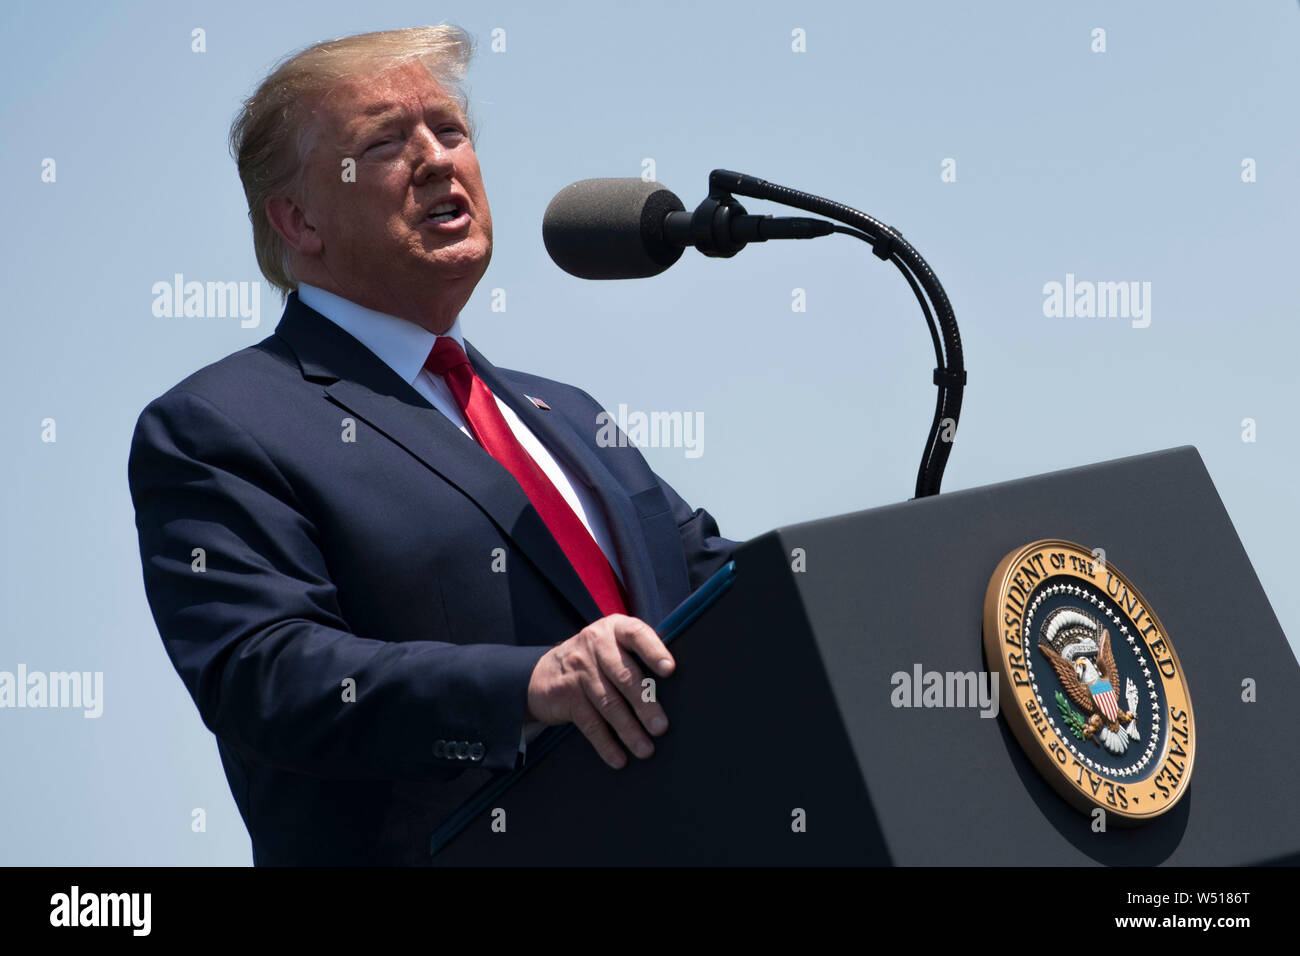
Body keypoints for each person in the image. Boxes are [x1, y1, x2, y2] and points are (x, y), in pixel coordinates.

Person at [127, 25, 737, 865]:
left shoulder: (562, 411)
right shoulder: (223, 425)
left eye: (450, 131)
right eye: (385, 143)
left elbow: (717, 583)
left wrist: (890, 571)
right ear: (298, 219)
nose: (438, 160)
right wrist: (528, 686)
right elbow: (265, 674)